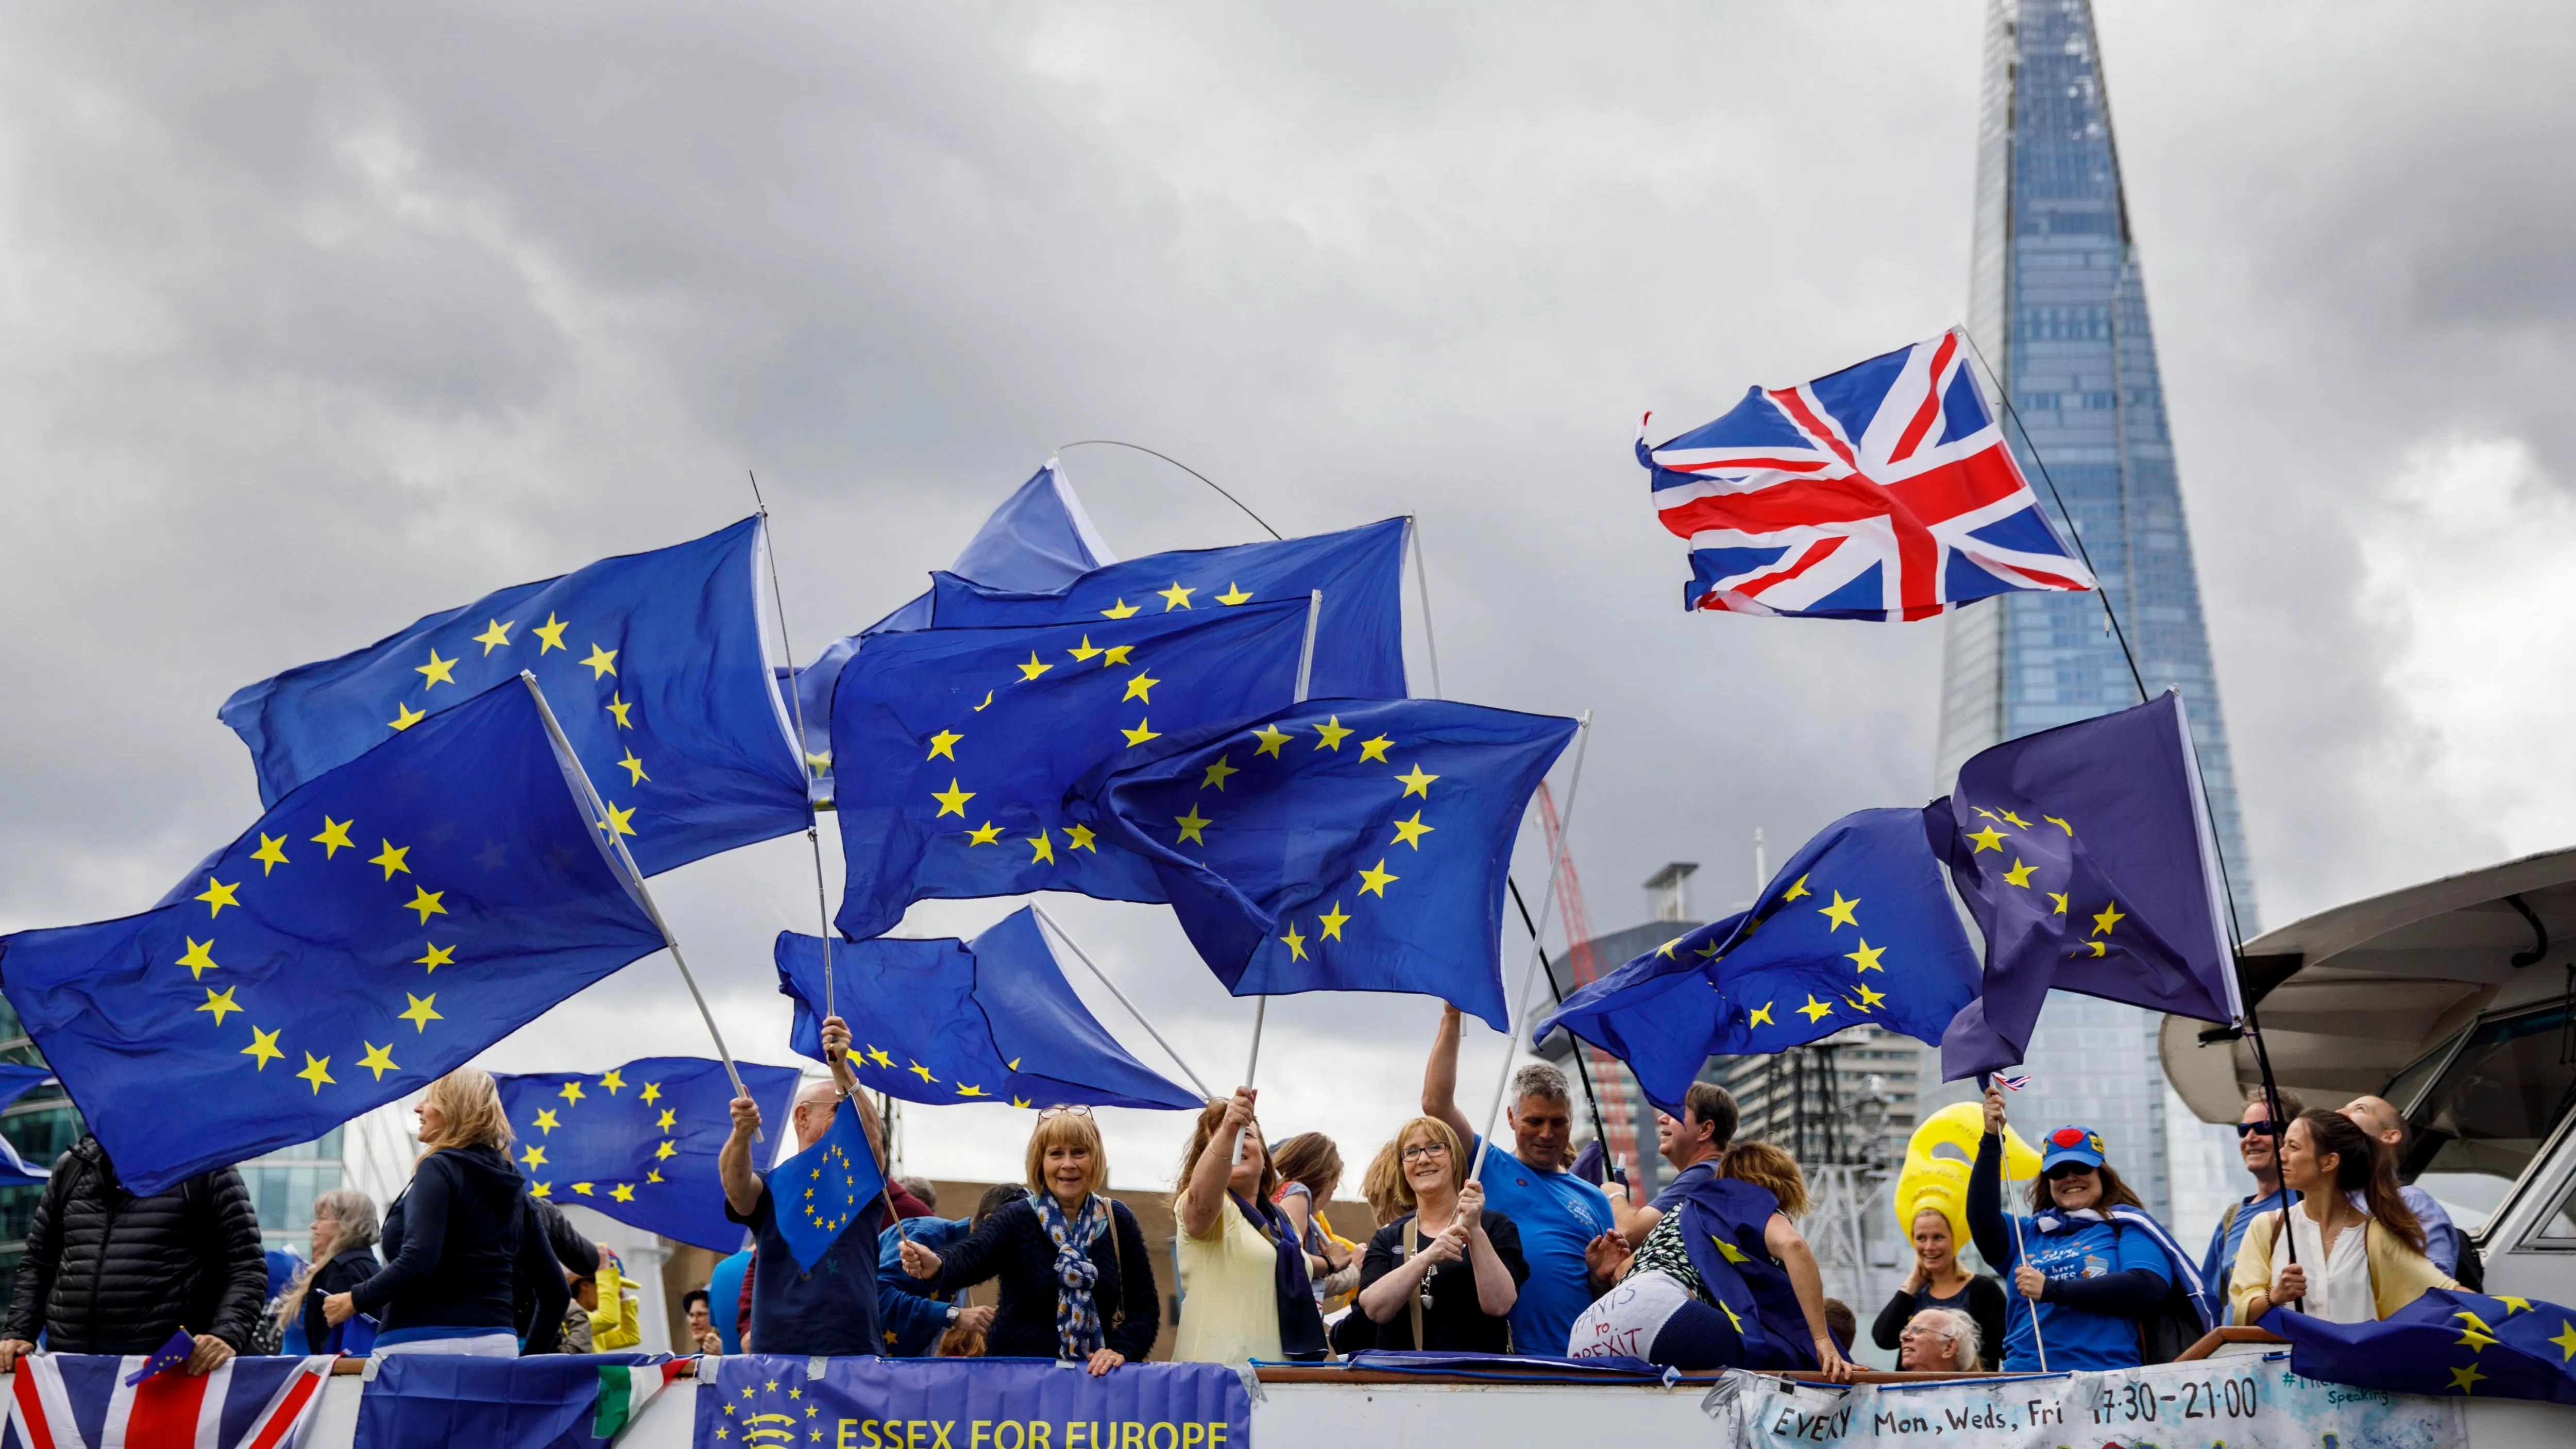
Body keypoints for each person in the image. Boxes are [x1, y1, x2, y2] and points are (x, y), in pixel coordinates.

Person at [1968, 1083, 2209, 1372]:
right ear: (2047, 1181)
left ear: (2102, 1175)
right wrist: (1992, 1140)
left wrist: (2054, 1290)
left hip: (2107, 1386)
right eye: (2057, 1171)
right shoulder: (2027, 1233)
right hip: (2025, 1386)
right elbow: (1981, 1218)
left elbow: (2147, 1285)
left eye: (2081, 1168)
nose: (2069, 1177)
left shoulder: (2126, 1227)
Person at [1421, 1005, 1619, 1356]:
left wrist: (1602, 1278)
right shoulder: (1486, 1163)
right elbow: (1436, 1104)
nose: (1546, 1133)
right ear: (1511, 1117)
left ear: (1572, 1121)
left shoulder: (1595, 1199)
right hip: (1498, 1357)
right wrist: (1452, 1017)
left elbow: (1608, 1300)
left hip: (1576, 1362)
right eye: (1535, 1121)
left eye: (1558, 1122)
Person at [327, 1068, 568, 1356]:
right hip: (498, 1347)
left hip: (420, 1345)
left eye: (430, 1100)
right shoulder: (516, 1189)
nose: (418, 1107)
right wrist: (529, 1362)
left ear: (453, 1108)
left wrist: (354, 1299)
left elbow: (419, 1259)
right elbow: (556, 1293)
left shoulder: (438, 1168)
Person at [900, 1107, 1158, 1372]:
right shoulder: (1018, 1216)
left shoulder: (1119, 1220)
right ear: (1041, 1162)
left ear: (1096, 1159)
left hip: (1094, 1384)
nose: (1068, 1164)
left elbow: (1145, 1309)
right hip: (1017, 1387)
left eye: (1079, 1152)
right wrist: (937, 1263)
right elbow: (973, 1254)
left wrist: (1120, 1349)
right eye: (1056, 1153)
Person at [1568, 1139, 1852, 1376]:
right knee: (1778, 1356)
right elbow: (1794, 1246)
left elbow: (1623, 1273)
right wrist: (1822, 1340)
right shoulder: (1746, 1201)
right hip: (1655, 1312)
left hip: (1587, 1333)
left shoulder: (1682, 1211)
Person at [0, 1135, 267, 1374]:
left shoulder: (206, 1167)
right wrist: (18, 1331)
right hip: (69, 1373)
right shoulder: (72, 1166)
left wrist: (226, 1334)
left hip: (169, 1375)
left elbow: (246, 1265)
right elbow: (39, 1263)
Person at [719, 1013, 891, 1358]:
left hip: (852, 1347)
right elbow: (737, 1191)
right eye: (839, 1109)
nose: (848, 1121)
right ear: (803, 1116)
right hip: (778, 1351)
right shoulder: (772, 1184)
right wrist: (741, 1133)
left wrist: (844, 1070)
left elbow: (872, 1140)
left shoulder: (859, 1179)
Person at [2231, 1109, 2459, 1326]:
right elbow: (2240, 1314)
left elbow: (2442, 1291)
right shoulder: (2268, 1227)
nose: (2281, 1156)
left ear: (2329, 1162)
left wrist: (2494, 1311)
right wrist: (2275, 1296)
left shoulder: (2374, 1234)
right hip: (2285, 1366)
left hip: (2358, 1366)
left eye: (2293, 1147)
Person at [1172, 1088, 1327, 1363]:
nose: (1237, 1140)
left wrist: (1336, 1263)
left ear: (1265, 1157)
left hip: (1279, 1387)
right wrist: (1229, 1129)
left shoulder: (1284, 1222)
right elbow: (1202, 1201)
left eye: (1248, 1134)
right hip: (1218, 1382)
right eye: (1226, 1136)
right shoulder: (1208, 1209)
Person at [1355, 1116, 1526, 1351]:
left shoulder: (1496, 1226)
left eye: (1435, 1148)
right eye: (1412, 1152)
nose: (1424, 1159)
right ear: (1403, 1167)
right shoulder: (1388, 1237)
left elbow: (1499, 1305)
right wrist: (1427, 1256)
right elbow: (1375, 1310)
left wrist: (1474, 1229)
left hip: (1478, 1381)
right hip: (1405, 1381)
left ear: (1454, 1158)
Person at [877, 1184, 1012, 1357]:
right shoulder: (925, 1234)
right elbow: (878, 1297)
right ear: (992, 1223)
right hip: (857, 1366)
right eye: (1018, 1235)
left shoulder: (968, 1264)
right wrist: (953, 1315)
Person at [2197, 1089, 2303, 1307]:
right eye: (2244, 1130)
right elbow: (2210, 1301)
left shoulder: (2309, 1202)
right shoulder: (2231, 1219)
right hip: (2237, 1341)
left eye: (2264, 1128)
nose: (2250, 1138)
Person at [2342, 1096, 2466, 1280]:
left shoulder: (2409, 1202)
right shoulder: (2324, 1200)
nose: (2340, 1113)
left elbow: (2435, 1286)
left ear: (2390, 1136)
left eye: (2359, 1109)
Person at [1871, 1202, 2006, 1370]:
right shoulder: (1914, 1294)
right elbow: (1884, 1338)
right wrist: (1911, 1284)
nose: (1929, 1247)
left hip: (1971, 1391)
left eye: (1938, 1237)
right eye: (1921, 1238)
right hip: (1915, 1392)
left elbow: (2006, 1348)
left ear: (1953, 1239)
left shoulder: (1983, 1290)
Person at [1611, 1083, 1734, 1247]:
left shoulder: (1703, 1176)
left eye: (1676, 1110)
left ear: (1705, 1129)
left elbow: (1629, 1233)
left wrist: (1614, 1195)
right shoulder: (1713, 1173)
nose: (1663, 1118)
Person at [277, 1187, 381, 1356]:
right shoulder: (364, 1266)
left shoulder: (343, 1269)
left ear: (347, 1224)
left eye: (321, 1219)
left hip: (316, 1377)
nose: (313, 1225)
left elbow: (334, 1343)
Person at [1270, 1133, 1362, 1312]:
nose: (1329, 1198)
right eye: (1333, 1188)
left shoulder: (1272, 1199)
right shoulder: (1297, 1193)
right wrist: (1338, 1264)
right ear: (1325, 1179)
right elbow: (1290, 1267)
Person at [579, 1243, 642, 1351]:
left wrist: (625, 1301)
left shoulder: (592, 1324)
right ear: (585, 1285)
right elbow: (608, 1320)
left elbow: (629, 1337)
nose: (615, 1292)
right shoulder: (567, 1317)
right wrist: (604, 1271)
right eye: (609, 1285)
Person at [1896, 1307, 1981, 1373]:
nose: (1904, 1336)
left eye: (1918, 1330)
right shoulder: (1888, 1391)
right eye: (1905, 1331)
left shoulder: (1979, 1394)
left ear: (1949, 1347)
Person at [682, 1287, 723, 1354]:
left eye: (700, 1314)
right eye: (691, 1315)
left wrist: (723, 1356)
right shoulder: (694, 1359)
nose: (694, 1322)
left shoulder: (740, 1353)